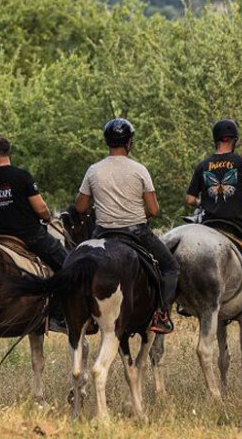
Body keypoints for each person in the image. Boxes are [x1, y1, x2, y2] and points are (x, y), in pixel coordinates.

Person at [74, 118, 179, 333]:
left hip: (102, 233)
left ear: (107, 142)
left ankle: (80, 313)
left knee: (74, 262)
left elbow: (81, 206)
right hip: (136, 232)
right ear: (129, 143)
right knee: (171, 267)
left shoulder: (93, 170)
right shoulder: (139, 170)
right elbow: (154, 209)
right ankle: (161, 314)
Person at [185, 119, 242, 323]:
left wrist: (203, 201)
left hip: (209, 225)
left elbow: (189, 199)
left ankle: (185, 301)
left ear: (215, 140)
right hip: (236, 224)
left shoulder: (203, 165)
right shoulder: (240, 162)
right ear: (233, 140)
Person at [0, 135, 66, 272]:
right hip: (29, 235)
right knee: (68, 265)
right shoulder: (22, 176)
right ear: (8, 152)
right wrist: (48, 218)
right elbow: (41, 208)